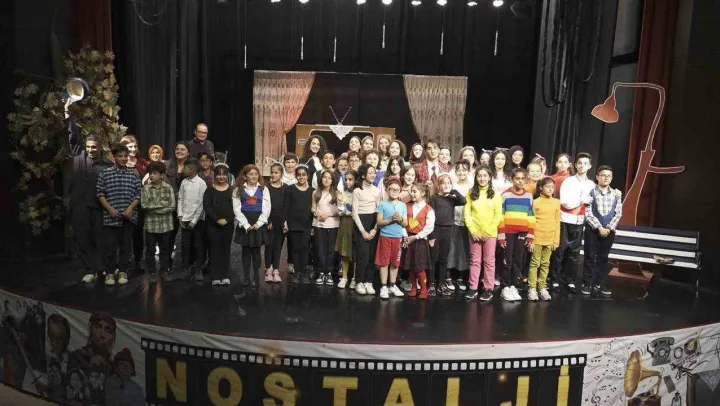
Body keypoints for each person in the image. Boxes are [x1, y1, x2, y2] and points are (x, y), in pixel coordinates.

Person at [96, 144, 142, 286]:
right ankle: (110, 272)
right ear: (114, 157)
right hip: (110, 217)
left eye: (125, 156)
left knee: (125, 246)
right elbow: (100, 193)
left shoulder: (133, 174)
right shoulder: (105, 173)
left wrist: (131, 208)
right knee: (110, 247)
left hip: (128, 216)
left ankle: (123, 271)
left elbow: (139, 194)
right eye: (120, 156)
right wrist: (109, 209)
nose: (123, 158)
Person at [71, 136, 112, 283]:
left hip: (98, 207)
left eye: (93, 147)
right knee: (82, 239)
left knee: (100, 240)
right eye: (88, 146)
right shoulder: (78, 160)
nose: (90, 150)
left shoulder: (107, 165)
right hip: (80, 207)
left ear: (99, 147)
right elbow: (72, 137)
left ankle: (101, 268)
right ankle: (90, 270)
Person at [554, 152, 596, 293]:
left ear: (589, 166)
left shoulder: (591, 184)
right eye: (579, 163)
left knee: (574, 253)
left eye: (585, 163)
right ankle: (555, 279)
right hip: (565, 219)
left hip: (580, 221)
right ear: (576, 165)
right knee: (560, 251)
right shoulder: (568, 181)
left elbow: (591, 204)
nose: (582, 166)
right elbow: (565, 202)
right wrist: (582, 200)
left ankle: (570, 280)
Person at [582, 165, 622, 296]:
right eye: (603, 175)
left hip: (609, 231)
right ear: (597, 177)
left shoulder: (616, 194)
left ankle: (599, 283)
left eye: (609, 176)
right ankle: (587, 283)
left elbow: (618, 213)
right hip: (593, 230)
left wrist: (609, 228)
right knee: (590, 256)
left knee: (603, 258)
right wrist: (599, 227)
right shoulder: (591, 192)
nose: (606, 178)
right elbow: (588, 213)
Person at [463, 166, 502, 301]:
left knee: (489, 261)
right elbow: (467, 213)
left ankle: (488, 288)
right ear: (476, 177)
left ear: (489, 177)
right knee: (475, 260)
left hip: (489, 234)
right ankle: (473, 287)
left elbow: (498, 215)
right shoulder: (470, 193)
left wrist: (487, 232)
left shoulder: (495, 194)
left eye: (485, 176)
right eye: (479, 176)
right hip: (474, 233)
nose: (482, 178)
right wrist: (473, 231)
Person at [498, 168, 536, 302]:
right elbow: (500, 216)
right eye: (517, 178)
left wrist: (530, 235)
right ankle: (505, 287)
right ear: (512, 179)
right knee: (507, 261)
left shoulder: (528, 196)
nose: (520, 181)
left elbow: (531, 216)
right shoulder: (505, 195)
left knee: (518, 261)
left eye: (522, 179)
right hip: (508, 233)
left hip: (522, 233)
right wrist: (501, 236)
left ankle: (513, 285)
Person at [233, 164, 271, 287]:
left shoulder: (263, 189)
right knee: (245, 251)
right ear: (245, 176)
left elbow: (267, 208)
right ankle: (246, 277)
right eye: (250, 174)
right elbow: (236, 209)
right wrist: (245, 224)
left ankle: (256, 276)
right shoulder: (238, 190)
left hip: (258, 222)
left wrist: (258, 223)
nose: (254, 176)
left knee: (256, 252)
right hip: (245, 222)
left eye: (256, 174)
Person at [430, 174, 466, 296]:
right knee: (433, 258)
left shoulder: (452, 198)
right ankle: (431, 283)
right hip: (436, 230)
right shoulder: (434, 198)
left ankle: (442, 283)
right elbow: (430, 216)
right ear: (439, 185)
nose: (446, 185)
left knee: (444, 258)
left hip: (448, 230)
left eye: (448, 183)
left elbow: (463, 201)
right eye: (443, 183)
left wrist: (454, 191)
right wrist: (431, 235)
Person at [140, 162, 175, 283]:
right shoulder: (146, 188)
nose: (151, 176)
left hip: (165, 225)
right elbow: (144, 205)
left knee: (165, 249)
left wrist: (155, 210)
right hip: (150, 225)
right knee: (150, 250)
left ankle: (164, 271)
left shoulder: (168, 188)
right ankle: (151, 272)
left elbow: (172, 206)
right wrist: (161, 205)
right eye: (150, 173)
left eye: (154, 173)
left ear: (162, 175)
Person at [374, 178, 408, 299]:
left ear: (400, 191)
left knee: (395, 263)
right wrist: (390, 220)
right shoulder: (383, 204)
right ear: (387, 190)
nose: (394, 191)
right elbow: (379, 222)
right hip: (385, 237)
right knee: (384, 263)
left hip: (397, 238)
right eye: (391, 189)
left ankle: (392, 285)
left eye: (397, 190)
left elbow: (405, 223)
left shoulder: (402, 205)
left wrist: (399, 219)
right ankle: (383, 286)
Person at [528, 177, 560, 301]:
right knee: (535, 263)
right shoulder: (535, 202)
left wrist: (556, 240)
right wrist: (531, 239)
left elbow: (557, 222)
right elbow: (531, 221)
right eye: (548, 187)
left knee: (545, 263)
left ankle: (542, 287)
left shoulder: (556, 202)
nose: (550, 189)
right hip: (537, 238)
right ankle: (532, 288)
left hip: (550, 238)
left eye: (552, 187)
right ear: (541, 188)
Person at [401, 183, 435, 299]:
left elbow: (429, 227)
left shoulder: (428, 209)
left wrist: (416, 237)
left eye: (414, 191)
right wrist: (405, 236)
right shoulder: (407, 206)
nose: (412, 193)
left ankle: (424, 289)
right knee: (410, 266)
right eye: (411, 191)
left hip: (419, 241)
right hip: (408, 239)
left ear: (423, 193)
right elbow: (403, 223)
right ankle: (414, 288)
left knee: (419, 267)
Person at [120, 135, 148, 275]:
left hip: (139, 203)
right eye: (130, 146)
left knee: (138, 234)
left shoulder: (143, 163)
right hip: (122, 202)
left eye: (135, 146)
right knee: (123, 235)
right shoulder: (119, 162)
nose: (133, 149)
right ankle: (123, 264)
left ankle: (137, 261)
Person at [351, 164, 381, 295]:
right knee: (362, 255)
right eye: (370, 173)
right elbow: (354, 213)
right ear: (363, 175)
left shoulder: (377, 191)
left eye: (374, 173)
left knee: (371, 255)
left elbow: (379, 211)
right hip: (361, 224)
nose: (373, 175)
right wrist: (363, 231)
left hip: (373, 223)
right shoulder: (357, 191)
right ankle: (359, 281)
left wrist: (375, 229)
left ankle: (369, 281)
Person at [204, 164, 235, 286]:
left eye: (224, 174)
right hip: (213, 225)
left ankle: (225, 275)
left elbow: (236, 208)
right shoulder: (209, 190)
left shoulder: (232, 190)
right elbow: (207, 207)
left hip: (228, 225)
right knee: (214, 249)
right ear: (215, 175)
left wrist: (227, 220)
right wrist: (217, 219)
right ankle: (216, 276)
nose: (221, 177)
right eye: (219, 174)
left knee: (225, 249)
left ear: (227, 175)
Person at [177, 158, 207, 282]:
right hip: (185, 219)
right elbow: (180, 199)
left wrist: (194, 221)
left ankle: (198, 269)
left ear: (191, 169)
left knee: (198, 245)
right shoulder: (184, 182)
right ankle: (186, 268)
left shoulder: (201, 183)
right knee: (185, 245)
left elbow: (201, 204)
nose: (182, 169)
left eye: (184, 167)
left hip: (197, 221)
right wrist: (180, 215)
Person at [284, 165, 314, 284]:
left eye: (304, 175)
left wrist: (313, 226)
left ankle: (304, 272)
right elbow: (286, 207)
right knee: (295, 249)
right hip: (293, 224)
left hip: (307, 224)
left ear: (307, 176)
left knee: (305, 249)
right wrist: (285, 222)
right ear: (296, 176)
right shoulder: (290, 189)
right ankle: (297, 273)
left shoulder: (312, 191)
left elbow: (314, 209)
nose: (301, 177)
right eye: (299, 175)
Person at [448, 160, 473, 291]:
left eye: (464, 170)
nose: (461, 172)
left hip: (467, 223)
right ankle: (449, 277)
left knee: (464, 249)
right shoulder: (452, 185)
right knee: (452, 249)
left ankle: (461, 278)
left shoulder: (472, 187)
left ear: (468, 171)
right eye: (459, 170)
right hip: (453, 221)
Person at [312, 170, 340, 285]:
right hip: (319, 225)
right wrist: (316, 213)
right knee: (320, 250)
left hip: (333, 225)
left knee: (330, 250)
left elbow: (339, 210)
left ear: (333, 180)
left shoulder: (337, 193)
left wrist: (328, 214)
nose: (326, 180)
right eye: (324, 177)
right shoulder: (316, 192)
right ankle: (321, 272)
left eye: (329, 178)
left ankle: (329, 272)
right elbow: (313, 207)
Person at [264, 163, 286, 283]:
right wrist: (268, 220)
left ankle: (276, 269)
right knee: (269, 245)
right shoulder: (266, 187)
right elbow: (264, 205)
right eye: (272, 172)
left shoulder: (285, 188)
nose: (273, 174)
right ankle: (268, 269)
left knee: (278, 246)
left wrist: (285, 222)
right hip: (269, 220)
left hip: (281, 220)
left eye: (276, 172)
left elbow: (287, 206)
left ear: (281, 174)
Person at [336, 170, 358, 289]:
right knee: (345, 250)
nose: (347, 182)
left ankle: (354, 277)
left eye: (350, 179)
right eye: (346, 179)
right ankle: (344, 277)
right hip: (345, 222)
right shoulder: (342, 194)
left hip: (356, 224)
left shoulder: (359, 193)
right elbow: (340, 212)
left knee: (355, 252)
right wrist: (340, 201)